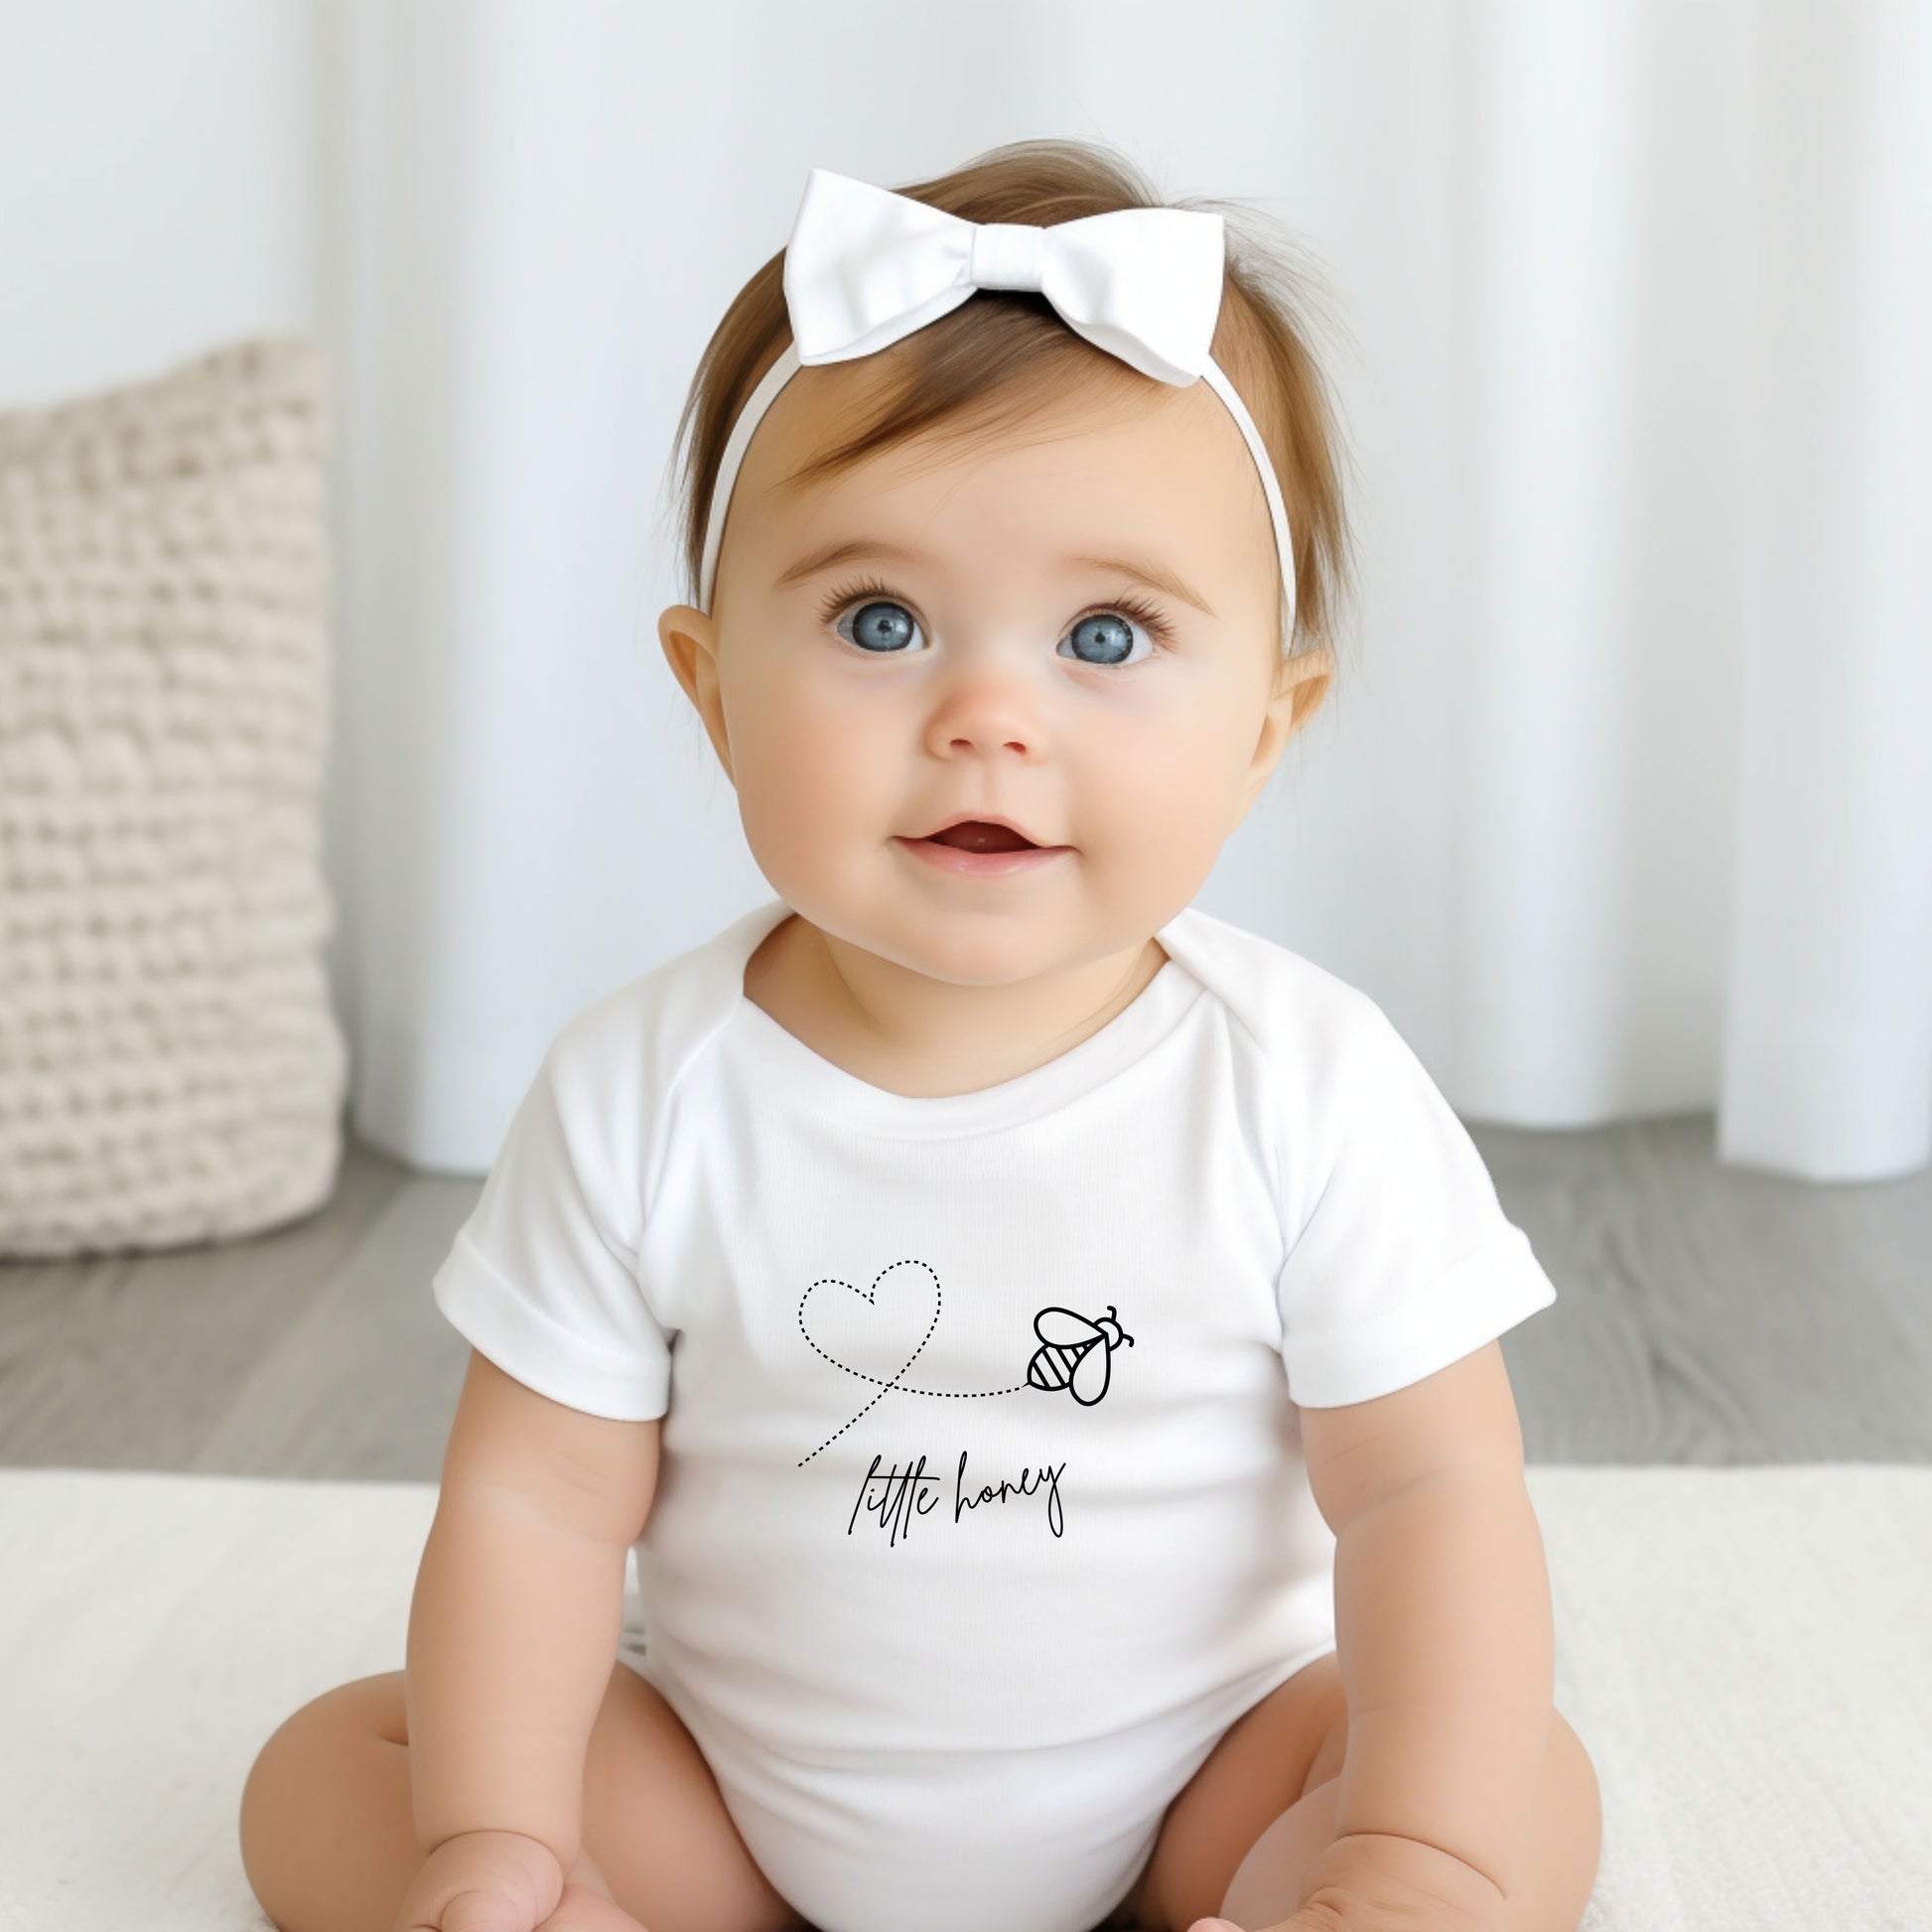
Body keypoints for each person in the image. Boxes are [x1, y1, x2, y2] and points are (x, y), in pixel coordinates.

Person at [239, 140, 1601, 1932]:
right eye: (879, 622)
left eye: (1103, 633)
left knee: (1504, 1777)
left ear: (1263, 734)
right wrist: (498, 1834)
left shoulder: (1305, 1084)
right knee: (337, 1765)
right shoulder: (642, 1089)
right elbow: (537, 1504)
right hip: (735, 1804)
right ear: (713, 691)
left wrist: (1415, 1841)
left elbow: (1429, 1489)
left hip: (1204, 1784)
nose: (986, 716)